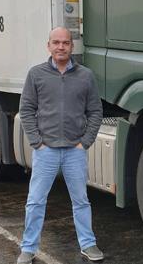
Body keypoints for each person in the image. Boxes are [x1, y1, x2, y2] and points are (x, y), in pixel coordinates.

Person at [17, 27, 104, 263]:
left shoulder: (86, 76)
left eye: (65, 42)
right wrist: (37, 142)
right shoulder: (36, 74)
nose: (61, 46)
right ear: (48, 46)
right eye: (56, 42)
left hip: (74, 151)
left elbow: (96, 111)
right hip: (46, 151)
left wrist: (85, 142)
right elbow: (26, 110)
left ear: (71, 47)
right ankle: (28, 247)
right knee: (35, 201)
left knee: (81, 201)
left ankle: (88, 244)